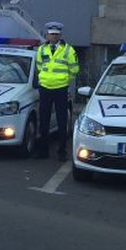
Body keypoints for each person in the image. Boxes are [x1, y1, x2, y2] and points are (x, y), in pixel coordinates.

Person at [34, 21, 80, 160]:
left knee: (62, 121)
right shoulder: (42, 49)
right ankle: (43, 151)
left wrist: (65, 81)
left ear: (60, 35)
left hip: (61, 89)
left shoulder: (68, 50)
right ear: (47, 35)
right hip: (45, 88)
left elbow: (74, 69)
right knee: (44, 121)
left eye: (56, 34)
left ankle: (62, 152)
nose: (54, 36)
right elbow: (39, 67)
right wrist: (44, 79)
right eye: (52, 34)